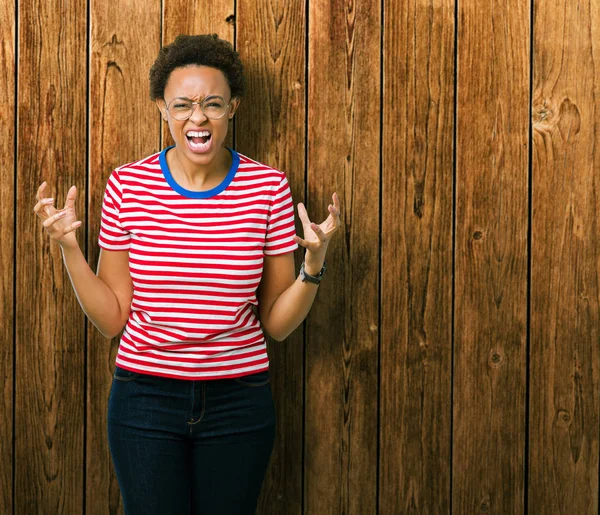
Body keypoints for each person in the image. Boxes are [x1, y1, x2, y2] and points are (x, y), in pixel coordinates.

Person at [33, 34, 340, 514]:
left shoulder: (267, 188)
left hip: (239, 399)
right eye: (183, 104)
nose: (198, 117)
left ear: (232, 108)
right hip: (144, 399)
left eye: (213, 104)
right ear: (162, 108)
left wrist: (314, 267)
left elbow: (277, 325)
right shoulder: (129, 186)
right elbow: (113, 318)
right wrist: (70, 250)